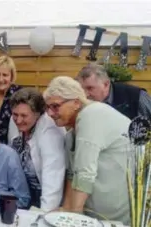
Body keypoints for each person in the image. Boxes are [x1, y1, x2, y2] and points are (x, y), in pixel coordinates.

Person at [43, 76, 131, 225]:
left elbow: (85, 174)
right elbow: (72, 176)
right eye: (48, 107)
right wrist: (65, 211)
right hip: (95, 217)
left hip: (118, 218)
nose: (50, 113)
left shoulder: (91, 115)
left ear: (76, 102)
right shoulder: (71, 134)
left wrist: (72, 220)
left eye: (55, 106)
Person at [7, 88, 66, 212]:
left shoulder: (50, 131)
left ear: (38, 113)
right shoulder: (15, 121)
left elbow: (53, 177)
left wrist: (44, 214)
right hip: (22, 197)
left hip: (43, 199)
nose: (18, 120)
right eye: (15, 114)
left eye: (24, 116)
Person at [76, 63, 151, 120]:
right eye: (82, 89)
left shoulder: (136, 96)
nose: (85, 94)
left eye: (90, 88)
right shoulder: (81, 103)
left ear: (106, 84)